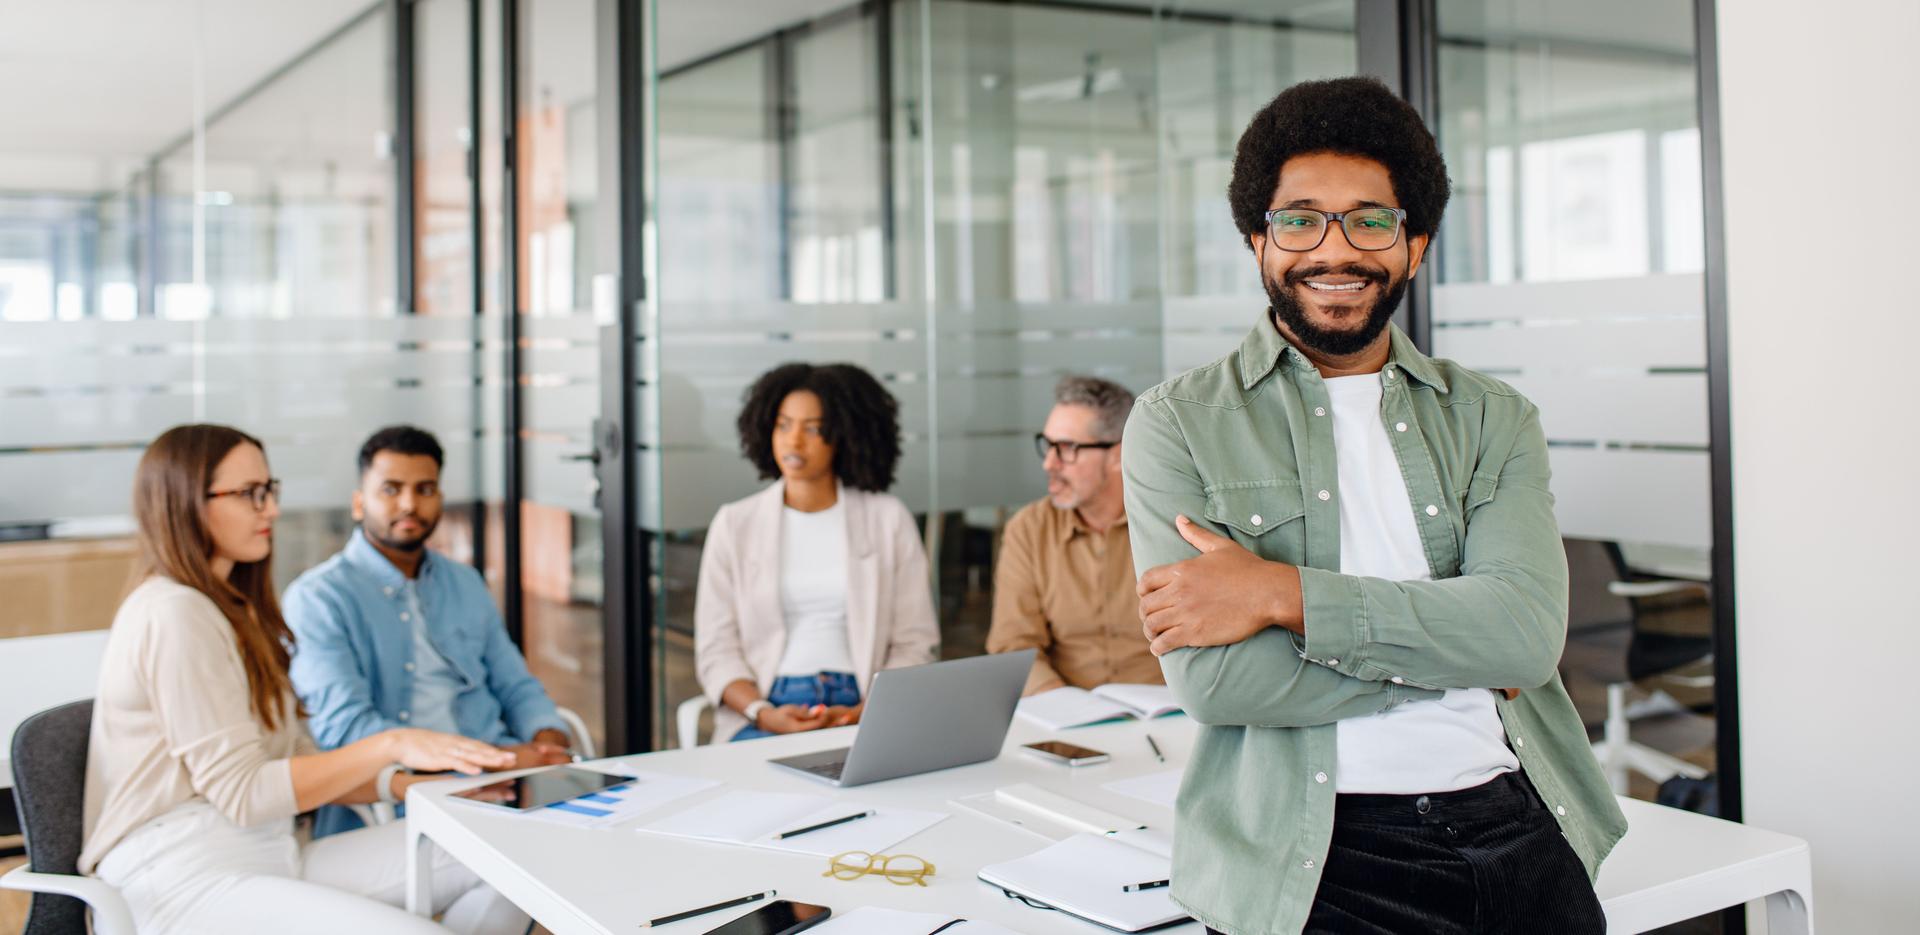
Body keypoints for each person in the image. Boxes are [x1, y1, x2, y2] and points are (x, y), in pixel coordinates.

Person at [1121, 77, 1625, 935]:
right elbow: (1216, 682)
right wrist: (1451, 654)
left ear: (1415, 244)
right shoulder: (1179, 423)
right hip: (1316, 858)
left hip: (1522, 824)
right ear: (1258, 238)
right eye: (1300, 218)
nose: (1335, 248)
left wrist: (1283, 595)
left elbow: (1526, 637)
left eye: (1371, 219)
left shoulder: (1494, 417)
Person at [80, 424, 530, 935]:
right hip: (179, 875)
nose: (269, 509)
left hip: (269, 848)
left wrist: (412, 788)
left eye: (270, 490)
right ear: (184, 502)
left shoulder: (234, 611)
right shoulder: (172, 613)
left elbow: (292, 762)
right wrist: (393, 745)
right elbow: (245, 792)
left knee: (506, 853)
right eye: (249, 494)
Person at [283, 425, 574, 838]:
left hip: (509, 779)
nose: (409, 504)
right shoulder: (318, 598)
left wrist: (547, 741)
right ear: (358, 502)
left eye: (425, 489)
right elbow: (344, 730)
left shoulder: (464, 582)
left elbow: (515, 684)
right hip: (409, 794)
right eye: (390, 489)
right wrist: (494, 759)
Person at [694, 362, 939, 742]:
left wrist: (870, 710)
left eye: (814, 429)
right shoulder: (735, 524)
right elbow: (716, 649)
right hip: (768, 705)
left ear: (844, 434)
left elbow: (915, 641)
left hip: (864, 702)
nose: (794, 442)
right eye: (783, 424)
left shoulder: (887, 518)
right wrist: (763, 713)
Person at [986, 375, 1161, 696]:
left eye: (1067, 448)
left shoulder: (1169, 522)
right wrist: (1067, 706)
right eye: (1048, 445)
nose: (1049, 463)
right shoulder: (1029, 529)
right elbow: (1014, 645)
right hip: (1066, 717)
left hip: (1169, 714)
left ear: (1115, 455)